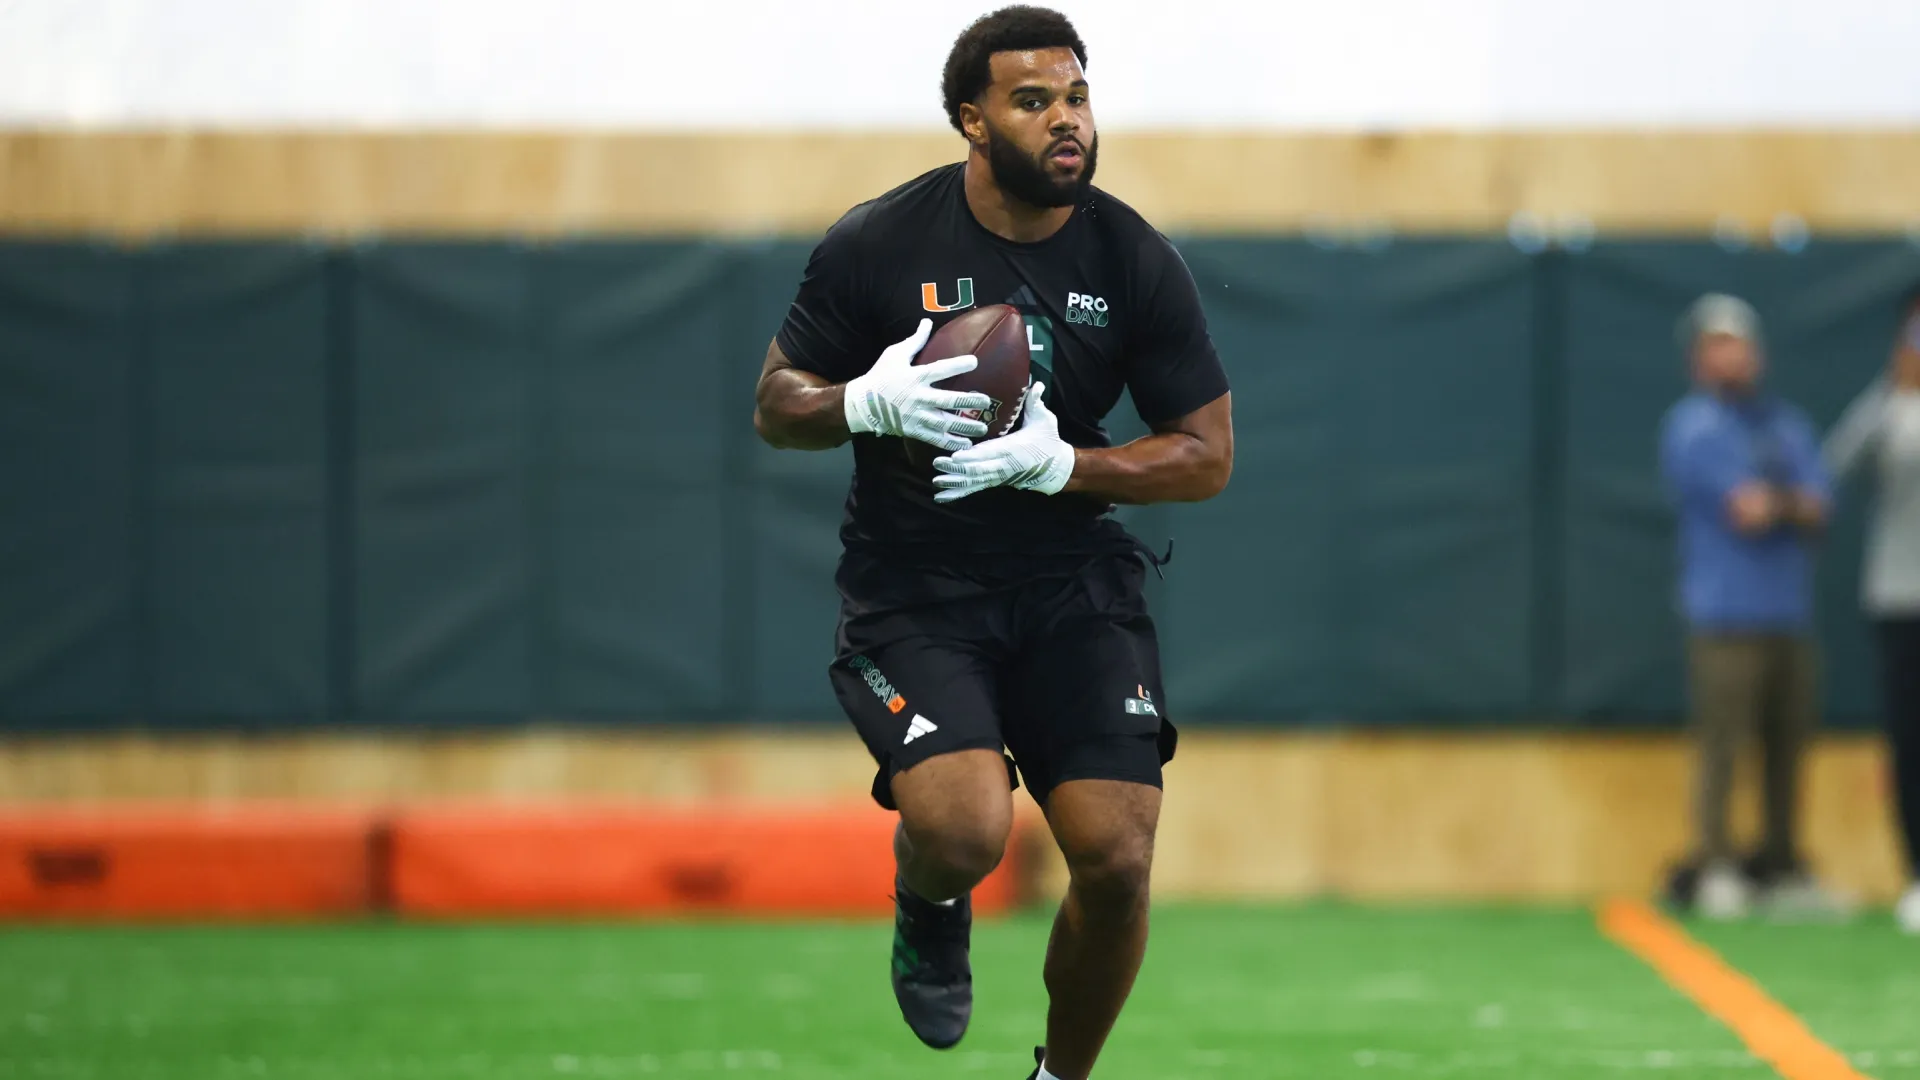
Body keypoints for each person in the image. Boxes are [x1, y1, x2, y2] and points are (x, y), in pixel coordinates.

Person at [751, 7, 1233, 1079]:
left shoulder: (1132, 254)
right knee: (968, 833)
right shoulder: (879, 241)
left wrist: (1070, 467)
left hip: (1071, 587)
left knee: (1114, 857)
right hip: (916, 591)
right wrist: (861, 402)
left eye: (1078, 96)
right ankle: (928, 899)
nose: (1067, 121)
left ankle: (1059, 1077)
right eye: (1033, 101)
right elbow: (776, 407)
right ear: (972, 118)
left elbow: (1206, 455)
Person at [1658, 293, 1836, 920]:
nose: (1731, 357)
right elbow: (1748, 509)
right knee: (1722, 746)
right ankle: (1716, 866)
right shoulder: (1692, 426)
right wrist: (1787, 504)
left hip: (1786, 611)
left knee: (1787, 746)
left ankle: (1782, 866)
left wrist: (1781, 504)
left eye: (1739, 343)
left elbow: (1818, 506)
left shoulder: (1786, 425)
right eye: (1716, 346)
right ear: (1698, 359)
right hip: (1723, 613)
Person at [1823, 290, 1920, 933]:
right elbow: (1831, 465)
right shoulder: (1891, 408)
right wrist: (1892, 393)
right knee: (1911, 744)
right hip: (1901, 601)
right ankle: (1917, 875)